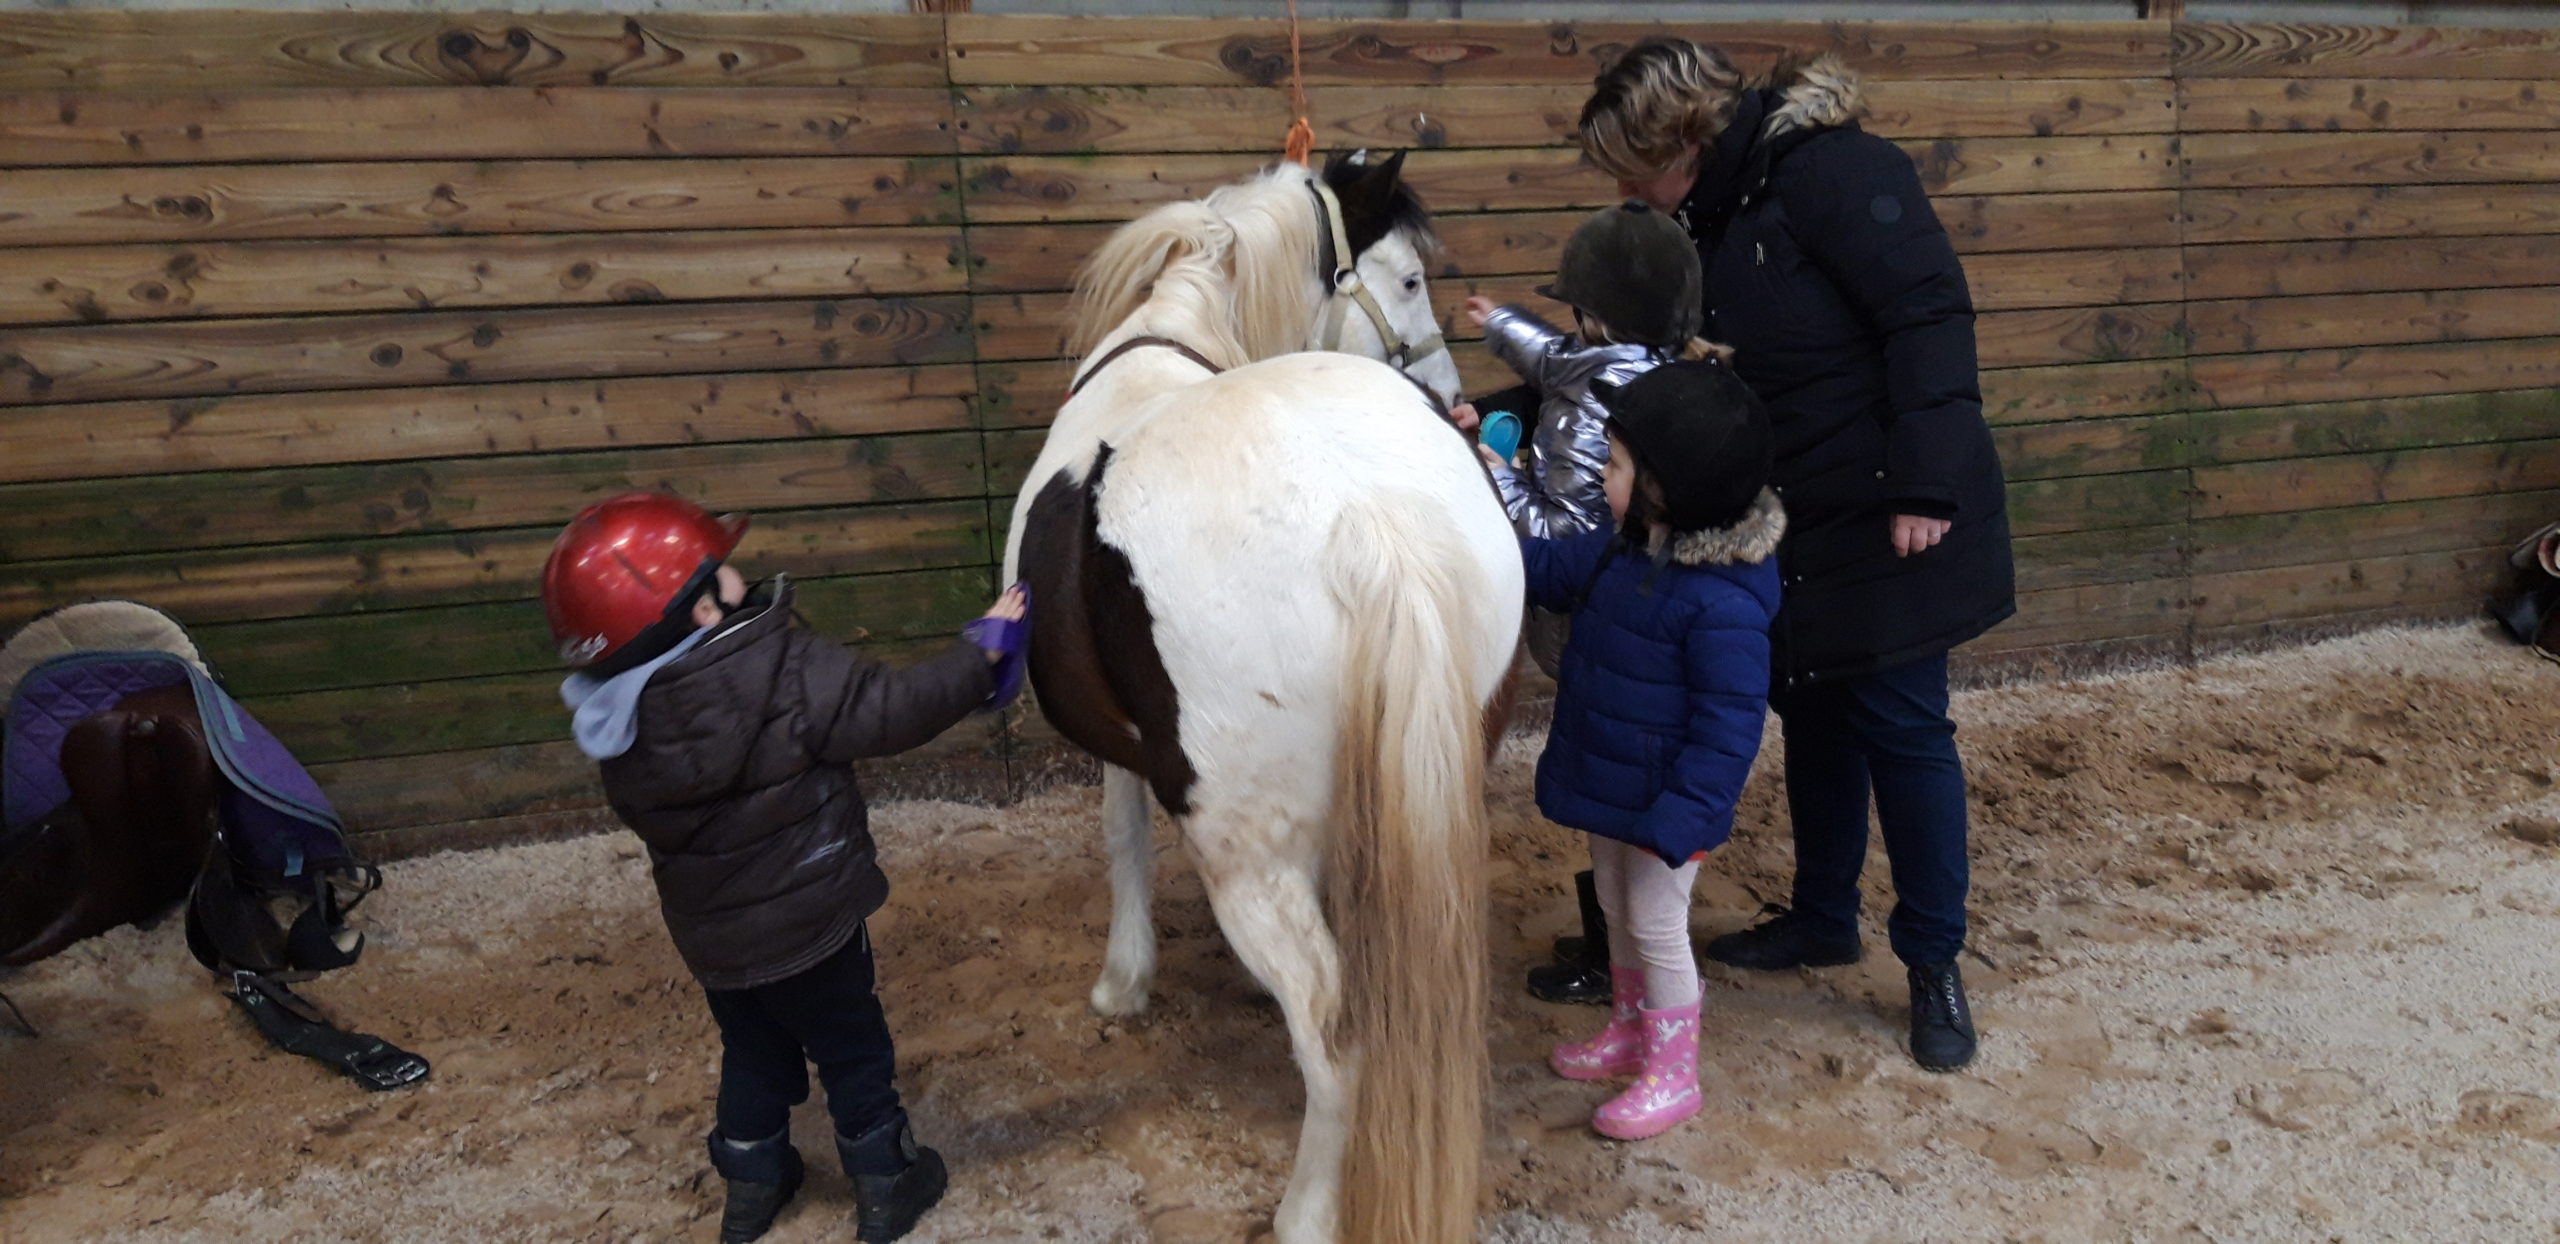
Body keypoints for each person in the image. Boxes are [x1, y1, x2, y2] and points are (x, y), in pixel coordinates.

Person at [1576, 38, 2018, 1072]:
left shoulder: (1837, 172)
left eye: (1631, 166)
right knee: (1813, 703)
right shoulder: (1709, 214)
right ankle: (1823, 915)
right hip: (1796, 511)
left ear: (1679, 139)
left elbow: (1926, 315)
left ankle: (1932, 963)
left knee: (1903, 729)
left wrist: (1924, 481)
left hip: (1886, 504)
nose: (1626, 190)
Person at [541, 491, 1029, 1243]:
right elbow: (895, 707)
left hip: (716, 942)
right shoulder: (783, 665)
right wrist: (982, 655)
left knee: (754, 1050)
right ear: (702, 610)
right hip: (813, 920)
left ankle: (751, 1183)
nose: (737, 573)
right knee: (851, 1045)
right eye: (721, 570)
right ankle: (887, 1178)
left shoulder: (617, 724)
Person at [1503, 359, 1783, 1140]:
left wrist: (1687, 819)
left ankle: (1673, 1072)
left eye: (1617, 462)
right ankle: (1630, 1026)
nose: (1601, 470)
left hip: (1667, 807)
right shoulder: (1618, 548)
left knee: (1659, 927)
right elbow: (1541, 567)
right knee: (1619, 912)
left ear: (1670, 486)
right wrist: (1477, 541)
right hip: (1613, 782)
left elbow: (1730, 728)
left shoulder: (1723, 601)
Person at [1466, 199, 1718, 1008]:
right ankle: (1616, 961)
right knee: (1616, 778)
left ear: (1598, 316)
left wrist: (1488, 469)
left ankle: (1633, 975)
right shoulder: (1661, 373)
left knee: (1623, 776)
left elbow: (1546, 370)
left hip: (1580, 600)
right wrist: (1501, 427)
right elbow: (1548, 406)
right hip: (1604, 604)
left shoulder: (1595, 369)